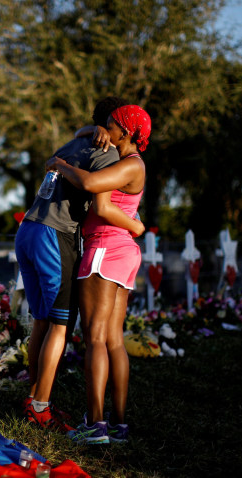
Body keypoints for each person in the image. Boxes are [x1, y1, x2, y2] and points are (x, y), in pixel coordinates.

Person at [15, 96, 144, 433]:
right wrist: (135, 225)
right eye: (111, 124)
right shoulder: (108, 151)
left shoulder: (77, 142)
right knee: (62, 324)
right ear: (112, 126)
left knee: (43, 321)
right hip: (55, 235)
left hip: (28, 228)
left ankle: (36, 400)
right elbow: (97, 199)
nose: (111, 130)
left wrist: (71, 150)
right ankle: (42, 406)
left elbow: (88, 167)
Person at [46, 104, 151, 444]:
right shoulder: (127, 162)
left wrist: (60, 165)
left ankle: (95, 424)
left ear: (128, 132)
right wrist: (91, 132)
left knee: (95, 339)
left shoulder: (129, 165)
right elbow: (85, 135)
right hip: (120, 252)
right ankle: (118, 424)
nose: (107, 128)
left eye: (112, 125)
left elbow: (93, 189)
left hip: (105, 249)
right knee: (113, 340)